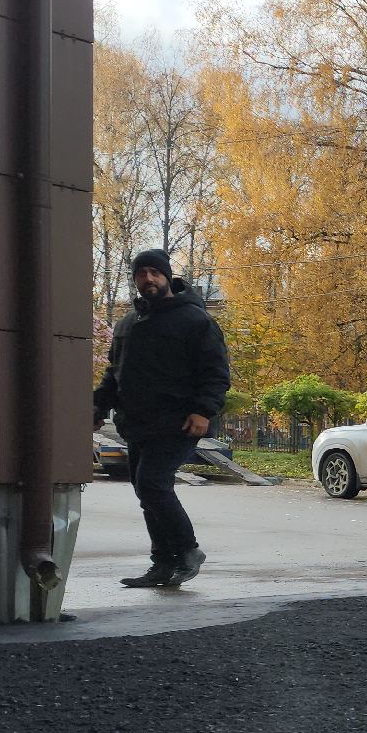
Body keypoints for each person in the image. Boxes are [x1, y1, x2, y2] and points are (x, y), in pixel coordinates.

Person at [92, 249, 231, 588]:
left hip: (179, 422)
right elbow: (115, 375)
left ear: (167, 276)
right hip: (138, 423)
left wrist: (203, 410)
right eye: (142, 274)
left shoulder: (195, 320)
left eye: (155, 272)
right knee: (145, 489)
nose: (149, 279)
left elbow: (215, 372)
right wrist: (96, 408)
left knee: (153, 484)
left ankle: (187, 550)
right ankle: (162, 564)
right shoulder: (128, 324)